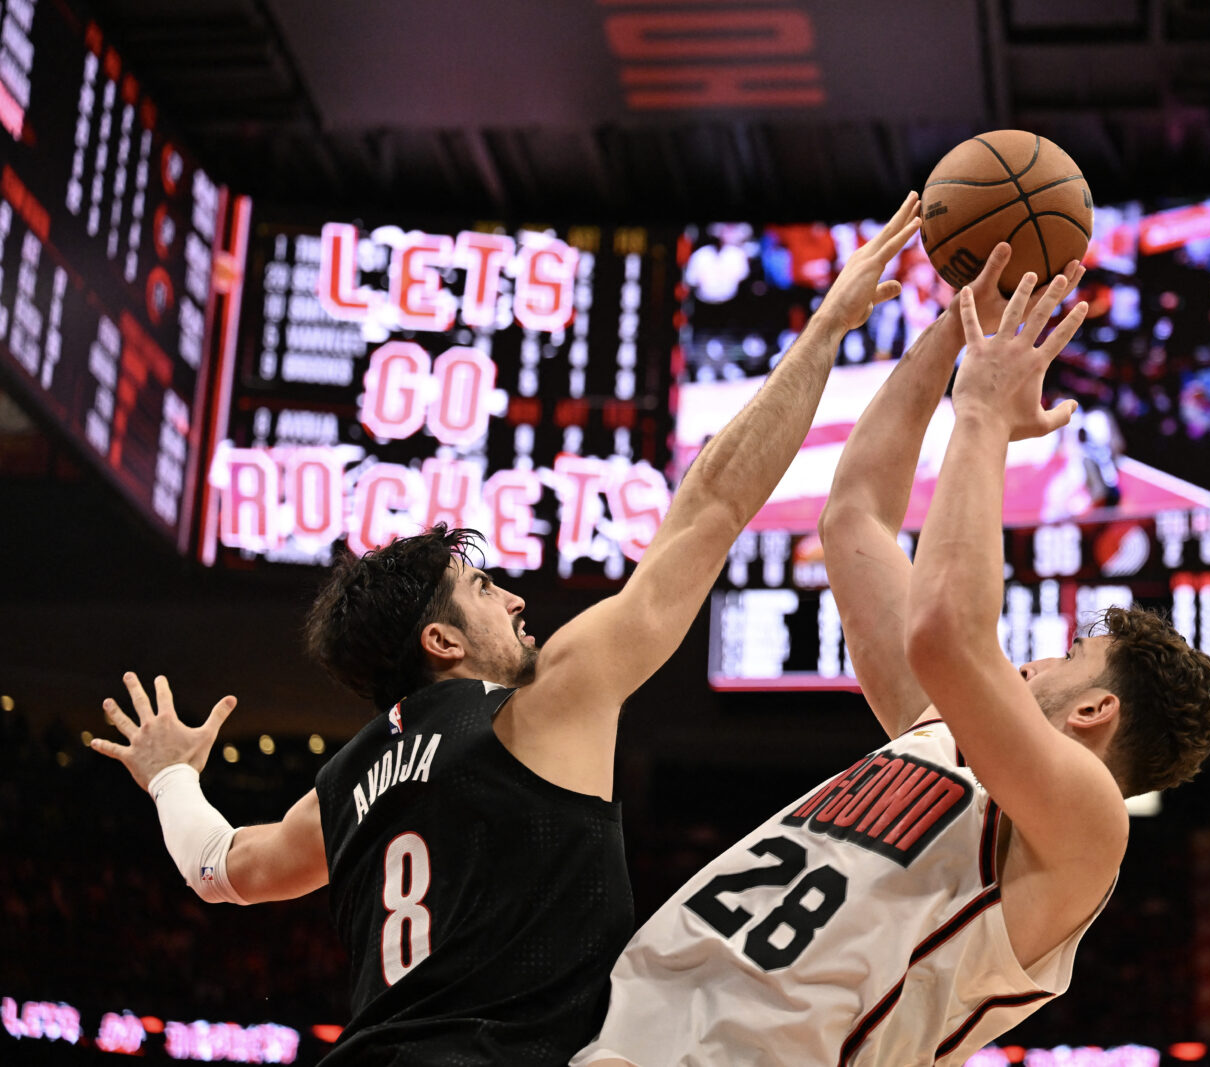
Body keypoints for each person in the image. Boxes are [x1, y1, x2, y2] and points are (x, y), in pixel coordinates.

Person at [89, 192, 927, 1067]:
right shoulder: (536, 708)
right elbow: (713, 503)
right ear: (440, 642)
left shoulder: (342, 789)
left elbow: (221, 865)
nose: (518, 600)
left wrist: (172, 780)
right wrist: (829, 323)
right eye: (484, 588)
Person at [574, 247, 1210, 1066]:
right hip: (625, 1036)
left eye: (1068, 655)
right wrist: (955, 326)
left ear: (1096, 710)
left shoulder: (1084, 821)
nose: (1033, 661)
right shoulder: (938, 725)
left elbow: (947, 633)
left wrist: (984, 413)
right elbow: (856, 518)